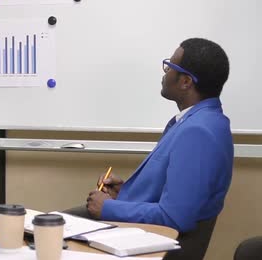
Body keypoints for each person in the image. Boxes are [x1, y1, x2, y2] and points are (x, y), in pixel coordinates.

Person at [84, 38, 233, 233]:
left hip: (151, 242)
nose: (164, 74)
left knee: (48, 233)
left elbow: (175, 217)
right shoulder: (198, 121)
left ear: (186, 82)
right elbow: (174, 192)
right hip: (142, 232)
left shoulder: (198, 133)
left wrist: (109, 207)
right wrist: (125, 193)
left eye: (169, 67)